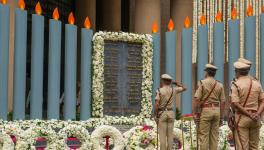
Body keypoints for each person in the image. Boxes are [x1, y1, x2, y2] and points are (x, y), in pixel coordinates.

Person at [230, 61, 264, 150]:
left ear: (237, 71)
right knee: (254, 147)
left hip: (242, 118)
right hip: (255, 118)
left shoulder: (236, 84)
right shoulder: (257, 83)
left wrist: (249, 114)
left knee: (242, 146)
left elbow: (235, 103)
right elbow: (262, 101)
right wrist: (257, 114)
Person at [192, 64, 225, 150]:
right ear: (214, 73)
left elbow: (196, 99)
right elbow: (223, 101)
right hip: (217, 110)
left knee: (204, 137)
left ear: (206, 72)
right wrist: (221, 117)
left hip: (206, 110)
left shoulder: (202, 83)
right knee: (214, 137)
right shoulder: (220, 84)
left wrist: (194, 113)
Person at [154, 74, 186, 150]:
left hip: (162, 113)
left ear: (163, 81)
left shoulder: (159, 90)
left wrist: (156, 115)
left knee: (162, 136)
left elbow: (157, 104)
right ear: (170, 81)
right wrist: (176, 83)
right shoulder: (174, 89)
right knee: (170, 136)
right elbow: (184, 88)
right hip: (171, 113)